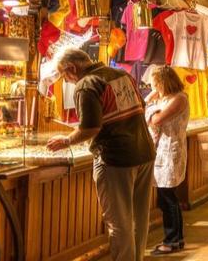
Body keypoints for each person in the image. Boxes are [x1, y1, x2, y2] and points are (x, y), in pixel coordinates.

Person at [45, 49, 154, 261]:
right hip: (144, 152)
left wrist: (66, 140)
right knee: (139, 218)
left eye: (63, 76)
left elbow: (90, 128)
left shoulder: (87, 84)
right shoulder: (121, 74)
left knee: (119, 222)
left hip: (116, 158)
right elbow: (141, 105)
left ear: (71, 69)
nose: (65, 81)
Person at [144, 66, 190, 255]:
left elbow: (157, 120)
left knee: (167, 198)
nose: (154, 87)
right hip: (164, 150)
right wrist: (152, 97)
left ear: (164, 82)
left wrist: (152, 108)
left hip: (171, 150)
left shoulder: (179, 98)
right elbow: (145, 103)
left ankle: (171, 241)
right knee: (168, 197)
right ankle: (177, 239)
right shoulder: (166, 98)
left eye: (156, 84)